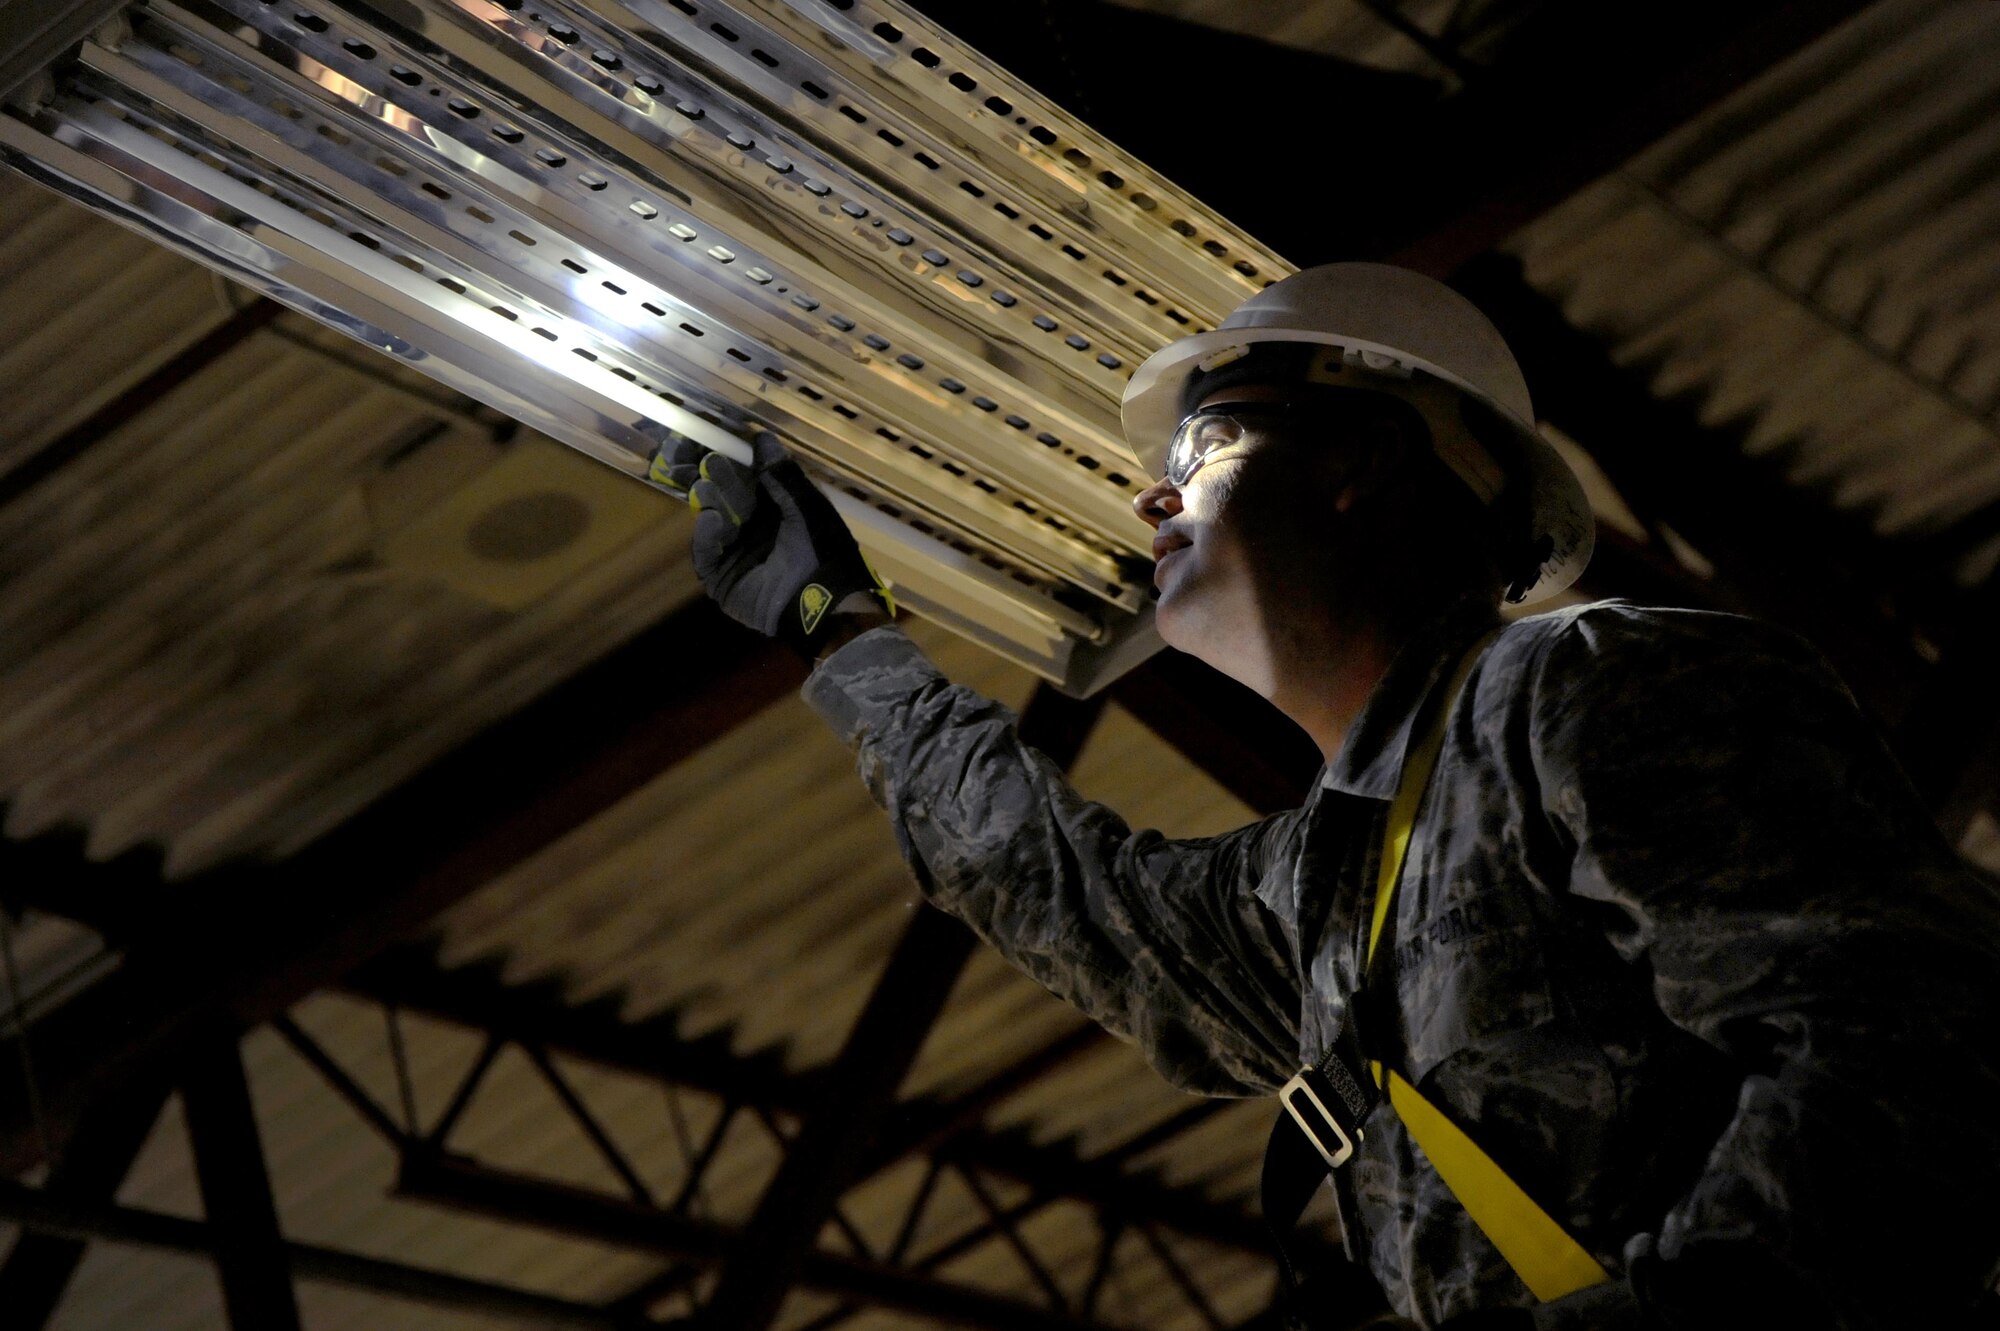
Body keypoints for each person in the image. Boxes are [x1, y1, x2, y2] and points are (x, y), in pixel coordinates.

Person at [653, 263, 2000, 1329]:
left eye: (1205, 441)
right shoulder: (1325, 888)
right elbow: (1070, 898)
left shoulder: (1593, 686)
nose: (1150, 494)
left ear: (1363, 462)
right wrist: (841, 633)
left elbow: (1913, 1039)